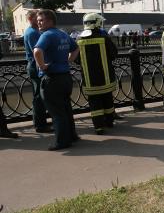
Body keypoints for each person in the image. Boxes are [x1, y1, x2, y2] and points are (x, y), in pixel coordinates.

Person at [33, 9, 80, 150]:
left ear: (50, 21)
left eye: (41, 20)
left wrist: (42, 66)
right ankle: (72, 136)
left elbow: (37, 51)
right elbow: (76, 48)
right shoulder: (62, 34)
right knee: (66, 109)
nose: (38, 23)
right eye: (38, 20)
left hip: (51, 79)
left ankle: (62, 142)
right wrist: (69, 60)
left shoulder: (47, 35)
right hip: (65, 77)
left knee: (56, 112)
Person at [75, 13, 118, 135]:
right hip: (105, 78)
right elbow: (114, 54)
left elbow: (76, 59)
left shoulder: (79, 39)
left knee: (94, 103)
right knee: (107, 99)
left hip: (89, 79)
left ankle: (98, 127)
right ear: (97, 22)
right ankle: (109, 122)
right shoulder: (103, 38)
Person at [23, 10, 53, 133]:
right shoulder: (33, 33)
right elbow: (38, 51)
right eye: (38, 18)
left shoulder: (33, 31)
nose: (40, 20)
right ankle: (40, 125)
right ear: (31, 19)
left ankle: (40, 123)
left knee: (39, 95)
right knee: (39, 96)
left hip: (34, 65)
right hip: (35, 66)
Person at [128, 43, 145, 111]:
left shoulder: (131, 52)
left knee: (136, 84)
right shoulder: (137, 52)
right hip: (137, 73)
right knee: (137, 84)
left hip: (135, 73)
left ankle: (137, 104)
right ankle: (140, 104)